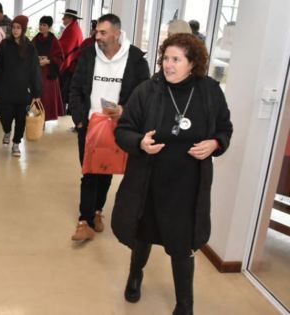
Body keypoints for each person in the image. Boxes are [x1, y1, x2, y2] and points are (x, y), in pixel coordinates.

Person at [111, 33, 233, 315]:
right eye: (166, 58)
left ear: (192, 63)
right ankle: (135, 275)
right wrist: (139, 143)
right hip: (149, 181)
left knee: (182, 245)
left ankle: (185, 303)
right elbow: (123, 130)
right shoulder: (147, 91)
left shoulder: (210, 92)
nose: (168, 65)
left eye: (176, 59)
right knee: (142, 235)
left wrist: (215, 143)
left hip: (187, 187)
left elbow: (225, 129)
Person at [68, 14, 149, 241]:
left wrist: (124, 110)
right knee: (89, 171)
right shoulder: (88, 55)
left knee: (105, 171)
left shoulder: (134, 59)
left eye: (103, 32)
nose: (98, 36)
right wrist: (79, 119)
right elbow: (75, 88)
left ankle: (96, 212)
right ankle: (84, 221)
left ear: (116, 33)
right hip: (90, 124)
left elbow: (144, 94)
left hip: (118, 127)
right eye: (97, 32)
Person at [0, 15, 42, 157]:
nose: (15, 30)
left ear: (23, 29)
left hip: (23, 92)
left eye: (18, 28)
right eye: (13, 27)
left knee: (20, 120)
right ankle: (7, 131)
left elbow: (35, 71)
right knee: (5, 117)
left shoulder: (30, 48)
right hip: (6, 90)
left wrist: (36, 92)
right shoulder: (4, 45)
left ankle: (16, 143)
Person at [32, 16, 64, 121]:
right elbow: (29, 53)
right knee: (37, 95)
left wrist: (48, 60)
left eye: (44, 25)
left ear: (49, 27)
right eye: (40, 24)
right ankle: (38, 119)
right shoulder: (35, 38)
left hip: (49, 73)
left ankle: (44, 119)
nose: (41, 27)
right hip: (37, 71)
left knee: (47, 96)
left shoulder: (54, 40)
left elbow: (60, 57)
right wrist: (36, 59)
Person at [59, 9, 84, 111]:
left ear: (70, 18)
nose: (63, 19)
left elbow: (65, 48)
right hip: (73, 64)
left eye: (64, 17)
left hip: (70, 65)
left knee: (65, 90)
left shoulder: (72, 30)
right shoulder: (74, 28)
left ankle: (62, 110)